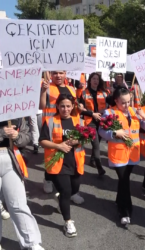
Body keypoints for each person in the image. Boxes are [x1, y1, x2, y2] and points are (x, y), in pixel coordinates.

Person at [98, 87, 145, 225]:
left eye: (129, 101)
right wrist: (115, 133)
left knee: (124, 180)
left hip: (133, 154)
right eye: (123, 102)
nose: (127, 105)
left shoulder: (135, 111)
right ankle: (125, 211)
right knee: (124, 181)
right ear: (116, 101)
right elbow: (102, 131)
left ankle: (118, 200)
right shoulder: (109, 113)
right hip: (118, 155)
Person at [39, 94, 86, 237]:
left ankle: (61, 200)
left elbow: (86, 140)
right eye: (62, 106)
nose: (65, 109)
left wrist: (78, 141)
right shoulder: (50, 121)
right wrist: (58, 146)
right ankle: (68, 222)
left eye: (68, 106)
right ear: (58, 107)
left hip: (75, 162)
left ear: (73, 107)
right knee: (66, 192)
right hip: (58, 163)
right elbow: (43, 141)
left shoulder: (79, 121)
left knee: (73, 190)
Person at [0, 118, 44, 250]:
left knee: (18, 204)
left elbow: (27, 137)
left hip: (11, 159)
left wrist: (17, 136)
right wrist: (1, 133)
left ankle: (31, 242)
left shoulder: (15, 114)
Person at [40, 71, 77, 194]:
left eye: (61, 73)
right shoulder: (46, 86)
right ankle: (48, 179)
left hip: (66, 124)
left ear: (65, 74)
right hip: (51, 126)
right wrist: (43, 91)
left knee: (66, 156)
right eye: (55, 73)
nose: (58, 75)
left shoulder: (71, 89)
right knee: (51, 154)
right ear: (50, 74)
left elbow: (74, 108)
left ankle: (68, 189)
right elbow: (41, 106)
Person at [79, 73, 108, 177]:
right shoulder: (83, 93)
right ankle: (100, 168)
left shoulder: (104, 93)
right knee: (95, 145)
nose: (96, 81)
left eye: (97, 79)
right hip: (90, 122)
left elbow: (109, 105)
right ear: (90, 81)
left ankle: (92, 160)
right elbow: (81, 110)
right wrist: (92, 114)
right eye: (93, 79)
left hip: (101, 121)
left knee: (97, 143)